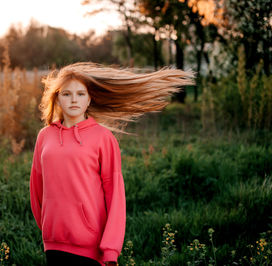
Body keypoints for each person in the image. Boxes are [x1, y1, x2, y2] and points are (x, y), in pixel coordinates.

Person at [29, 62, 194, 266]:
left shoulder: (103, 138)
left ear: (89, 98)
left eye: (80, 94)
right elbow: (37, 189)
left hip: (90, 246)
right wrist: (48, 227)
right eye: (66, 94)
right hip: (53, 244)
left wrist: (110, 249)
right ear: (57, 97)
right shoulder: (45, 136)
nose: (74, 100)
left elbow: (115, 195)